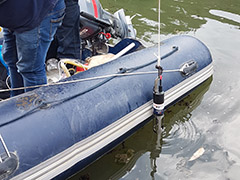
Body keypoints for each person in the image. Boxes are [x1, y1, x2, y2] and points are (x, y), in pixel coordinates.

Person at [0, 0, 65, 96]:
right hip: (15, 14)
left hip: (37, 14)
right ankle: (16, 104)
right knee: (11, 59)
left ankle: (35, 108)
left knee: (30, 69)